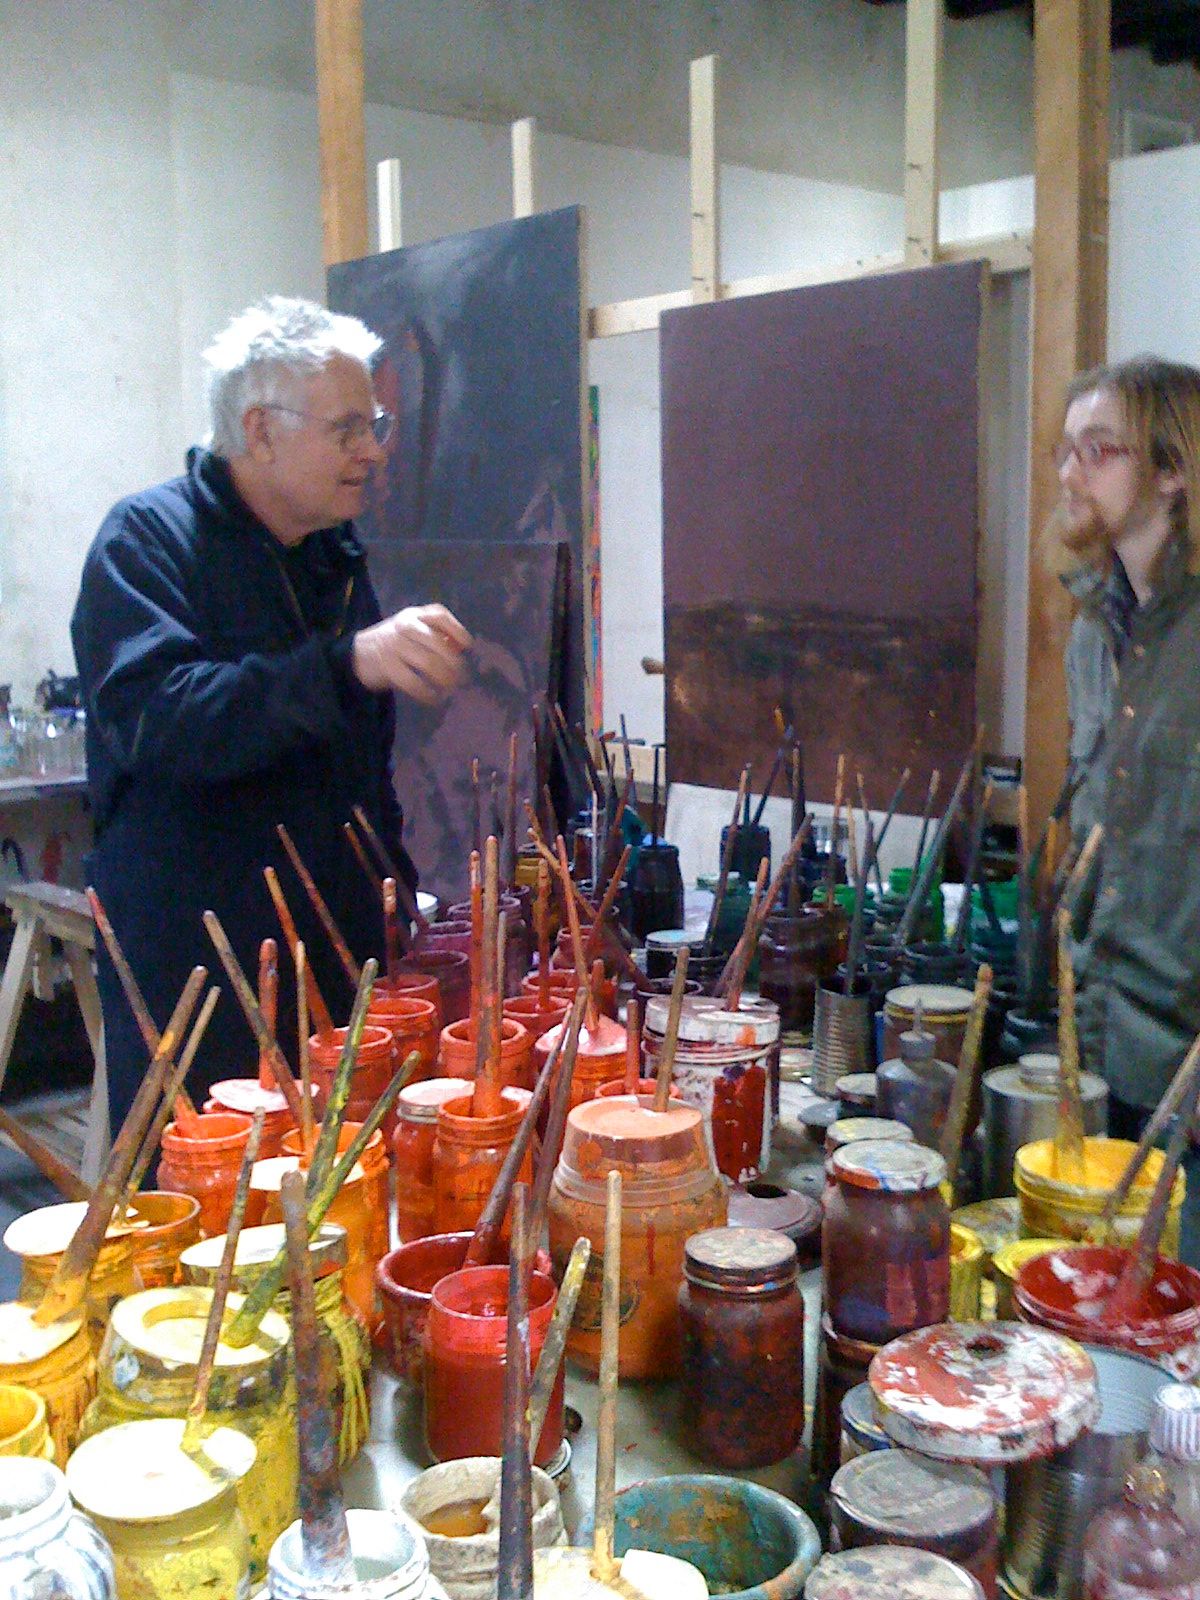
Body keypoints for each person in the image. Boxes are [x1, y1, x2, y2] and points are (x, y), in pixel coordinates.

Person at [72, 296, 472, 1135]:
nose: (371, 451)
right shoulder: (145, 541)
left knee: (343, 1194)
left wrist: (390, 884)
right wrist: (348, 661)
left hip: (331, 947)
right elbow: (164, 723)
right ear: (259, 429)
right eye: (346, 429)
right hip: (199, 965)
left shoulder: (329, 554)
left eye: (377, 424)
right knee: (211, 1210)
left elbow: (354, 757)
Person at [1050, 355, 1200, 1261]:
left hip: (1186, 1068)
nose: (1070, 474)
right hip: (1095, 1051)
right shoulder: (1087, 632)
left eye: (1097, 451)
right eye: (1065, 452)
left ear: (1174, 469)